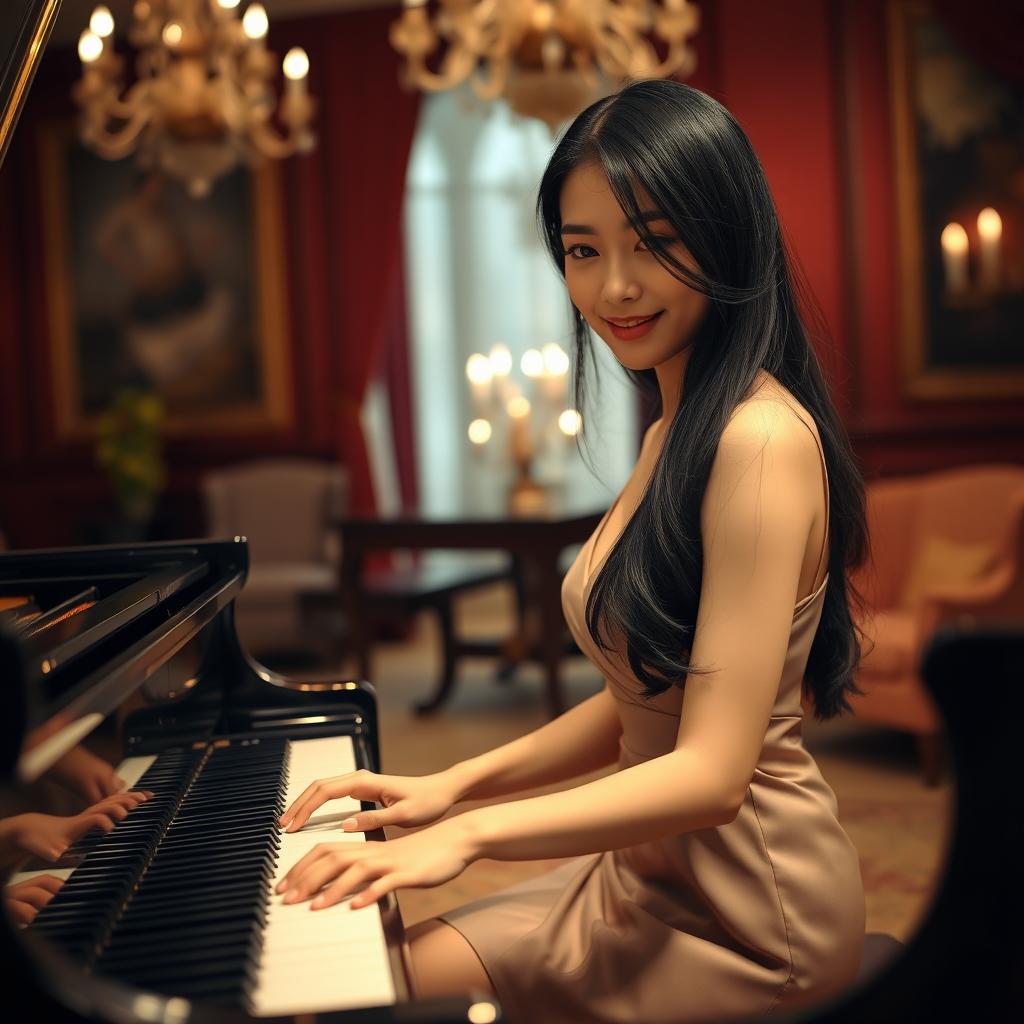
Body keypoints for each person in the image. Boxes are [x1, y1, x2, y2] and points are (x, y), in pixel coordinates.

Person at [273, 79, 868, 1022]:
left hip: (751, 917)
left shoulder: (760, 440)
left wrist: (470, 835)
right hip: (641, 881)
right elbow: (640, 700)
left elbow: (712, 775)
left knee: (385, 997)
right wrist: (449, 783)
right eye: (582, 251)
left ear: (728, 234)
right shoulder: (674, 432)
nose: (613, 288)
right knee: (378, 977)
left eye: (654, 243)